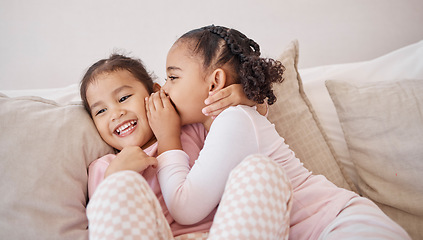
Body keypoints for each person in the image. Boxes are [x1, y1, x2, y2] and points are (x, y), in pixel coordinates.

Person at [146, 25, 411, 239]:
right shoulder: (234, 118)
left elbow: (185, 208)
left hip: (342, 225)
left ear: (215, 81)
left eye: (173, 77)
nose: (164, 89)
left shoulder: (234, 119)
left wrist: (167, 138)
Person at [81, 54, 292, 239]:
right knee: (117, 186)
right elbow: (105, 226)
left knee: (261, 171)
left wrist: (242, 96)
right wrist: (116, 175)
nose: (115, 114)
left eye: (124, 98)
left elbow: (242, 124)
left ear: (157, 92)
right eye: (101, 111)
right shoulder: (104, 168)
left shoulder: (193, 130)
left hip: (224, 232)